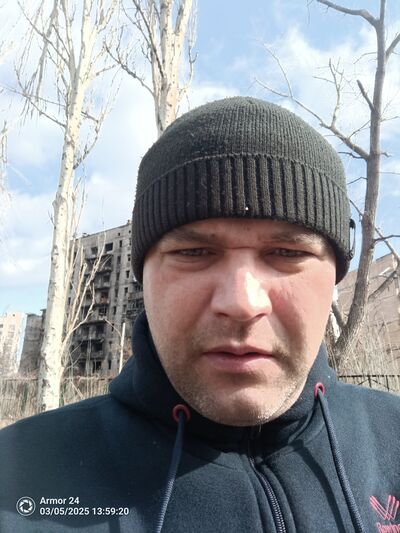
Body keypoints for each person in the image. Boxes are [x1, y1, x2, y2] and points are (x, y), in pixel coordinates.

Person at [0, 97, 399, 533]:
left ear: (335, 276)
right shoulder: (17, 476)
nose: (242, 303)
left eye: (287, 253)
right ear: (143, 276)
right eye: (193, 252)